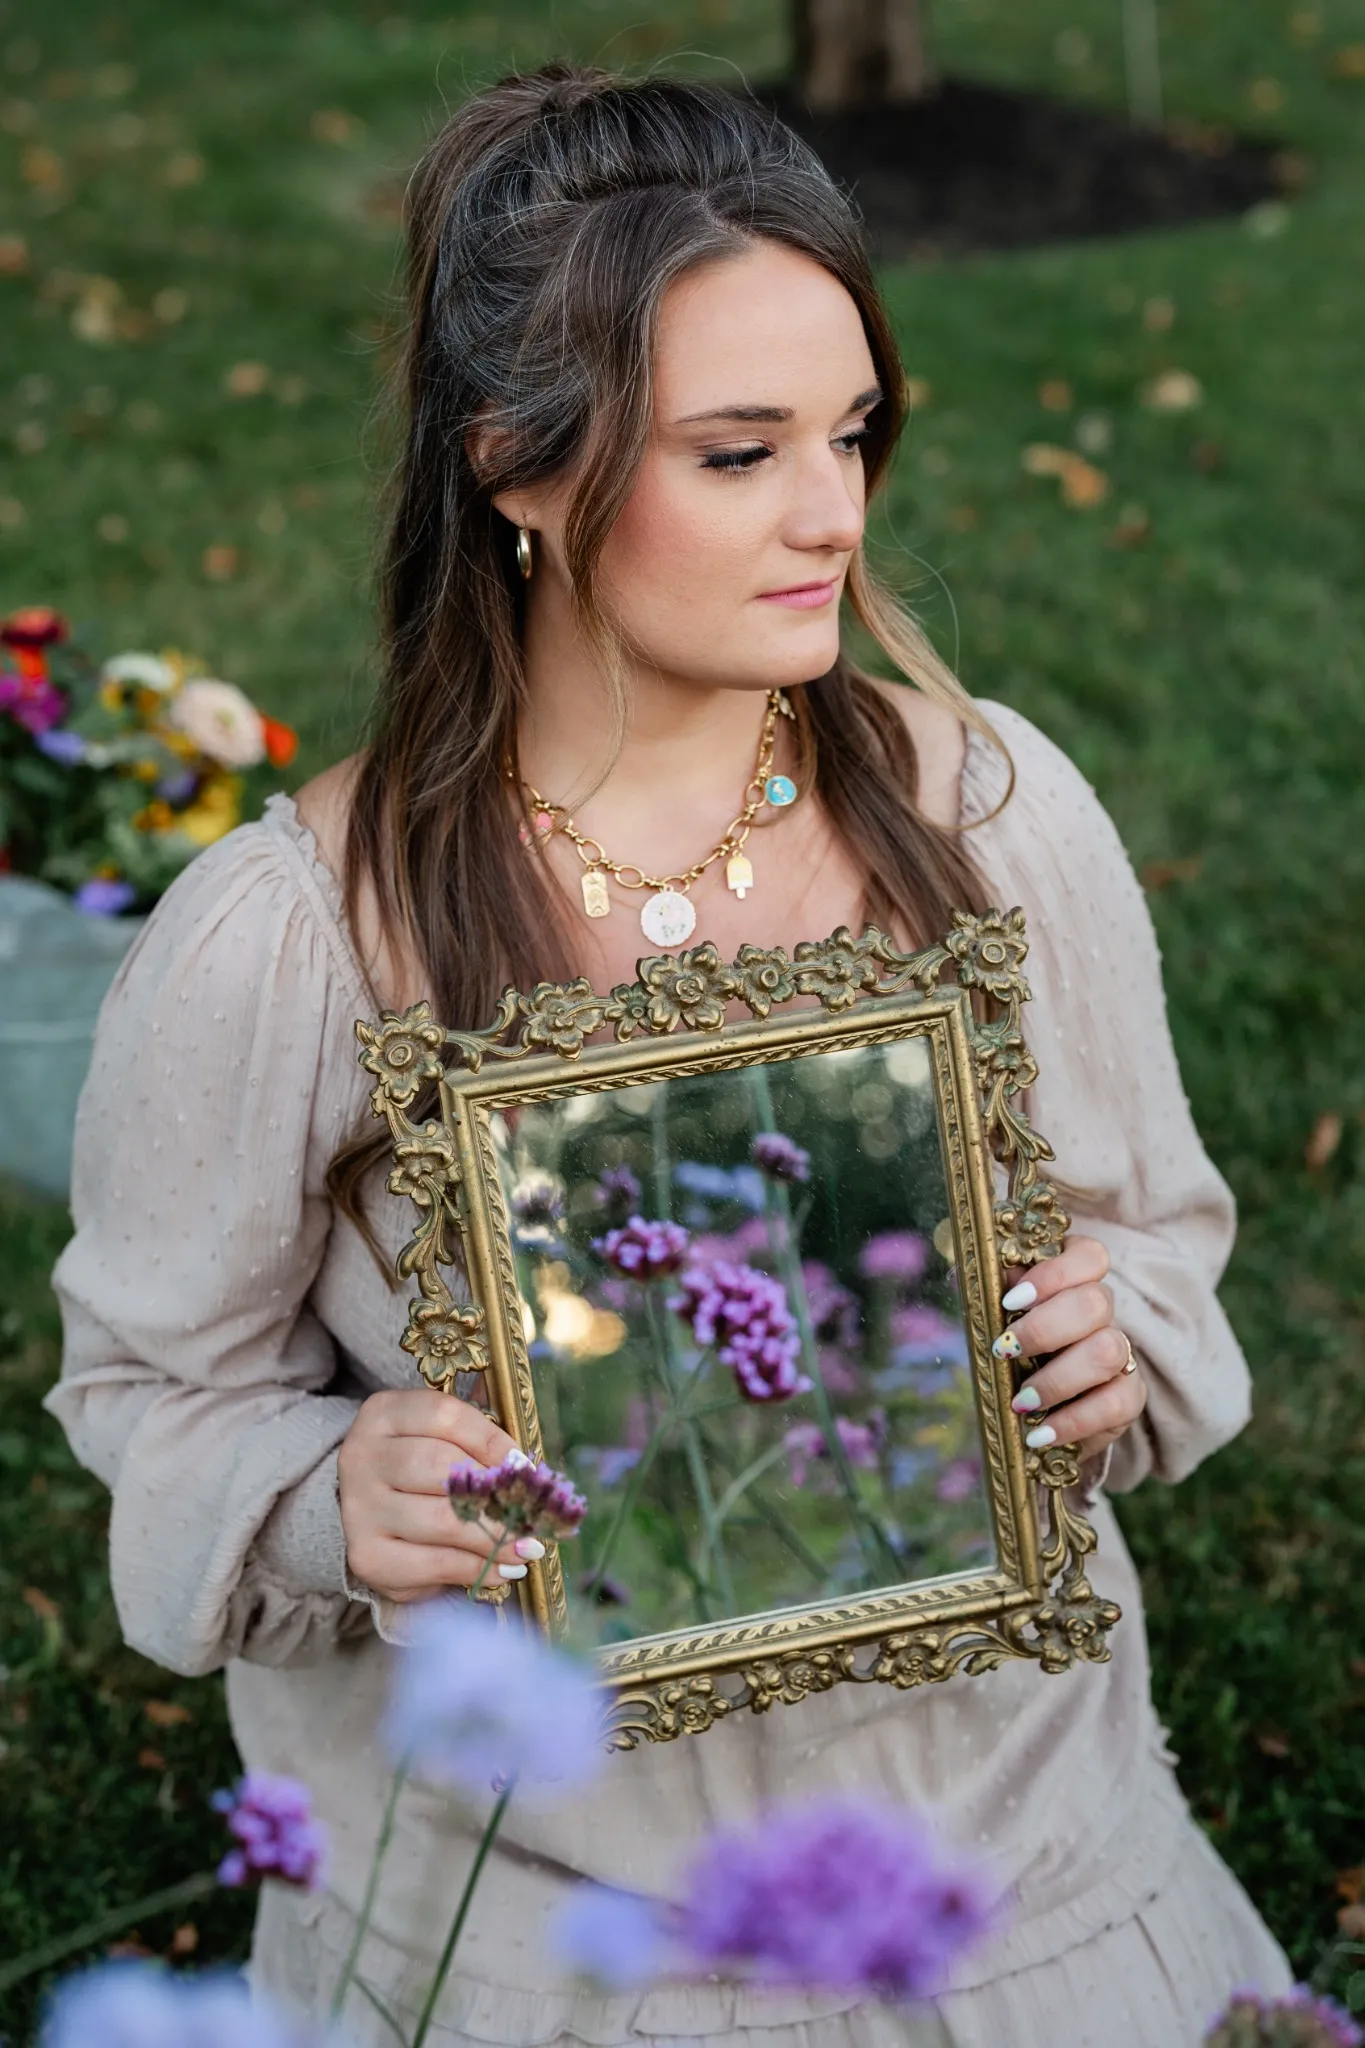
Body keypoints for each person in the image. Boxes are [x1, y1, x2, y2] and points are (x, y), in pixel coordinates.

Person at [46, 64, 1291, 2048]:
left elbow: (1155, 1240)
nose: (835, 510)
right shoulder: (293, 939)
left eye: (853, 431)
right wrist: (322, 1494)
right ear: (515, 467)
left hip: (994, 1851)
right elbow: (151, 1389)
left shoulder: (985, 817)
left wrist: (1103, 1334)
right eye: (738, 453)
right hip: (555, 1910)